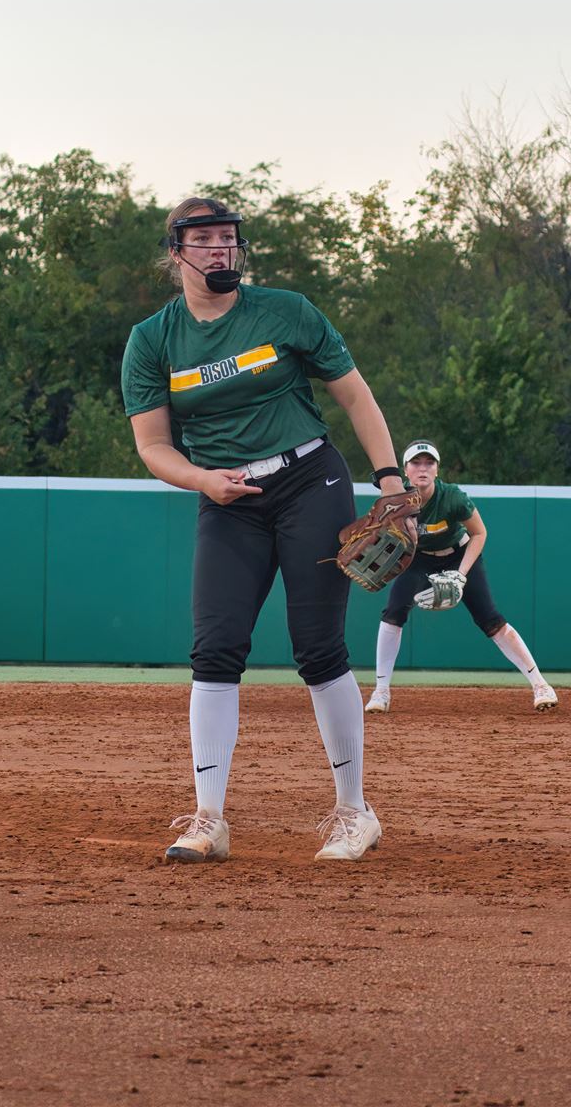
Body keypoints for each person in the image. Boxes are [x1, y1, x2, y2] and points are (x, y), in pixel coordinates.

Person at [122, 197, 407, 863]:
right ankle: (208, 820)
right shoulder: (155, 338)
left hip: (310, 481)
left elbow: (355, 395)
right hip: (228, 498)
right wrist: (201, 480)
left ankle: (353, 812)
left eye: (229, 238)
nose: (221, 249)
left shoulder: (285, 311)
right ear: (177, 252)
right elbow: (152, 445)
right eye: (205, 240)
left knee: (316, 646)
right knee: (215, 648)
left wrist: (390, 481)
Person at [364, 440, 560, 714]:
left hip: (459, 555)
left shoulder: (452, 496)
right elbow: (389, 538)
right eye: (416, 463)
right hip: (419, 559)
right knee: (393, 613)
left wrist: (459, 575)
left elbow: (480, 533)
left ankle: (541, 685)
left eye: (429, 463)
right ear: (405, 470)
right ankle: (381, 691)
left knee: (490, 620)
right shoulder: (399, 500)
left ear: (437, 469)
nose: (423, 468)